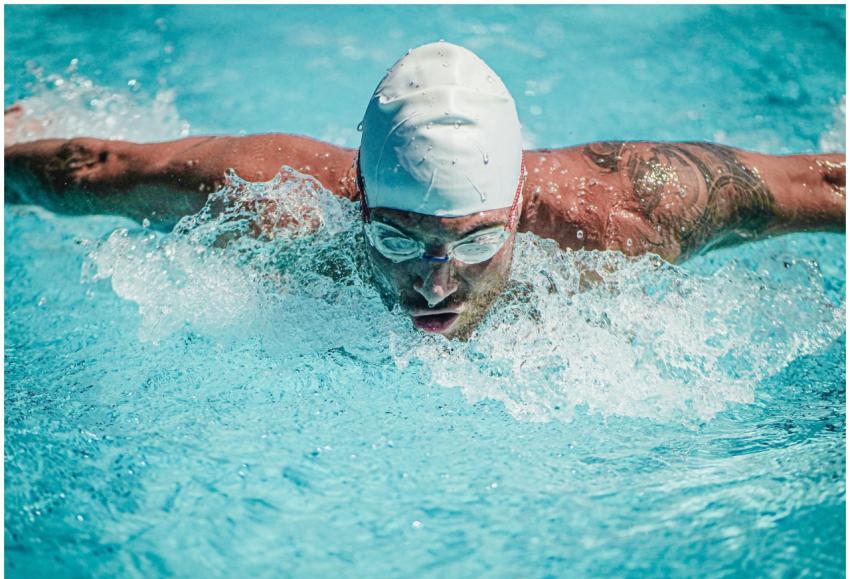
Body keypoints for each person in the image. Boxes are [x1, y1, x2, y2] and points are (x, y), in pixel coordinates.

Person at [5, 42, 846, 339]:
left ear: (518, 206)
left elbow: (824, 182)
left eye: (477, 240)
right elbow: (97, 166)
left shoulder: (634, 207)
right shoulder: (280, 199)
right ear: (360, 205)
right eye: (400, 240)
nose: (435, 285)